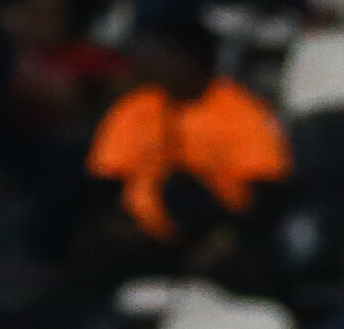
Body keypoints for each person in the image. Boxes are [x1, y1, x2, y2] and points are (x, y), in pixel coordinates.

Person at [80, 20, 288, 286]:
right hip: (144, 234)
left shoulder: (243, 111)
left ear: (195, 60)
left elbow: (268, 193)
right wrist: (120, 227)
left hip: (219, 232)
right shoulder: (133, 109)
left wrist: (226, 240)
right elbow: (104, 184)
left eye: (167, 56)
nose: (156, 64)